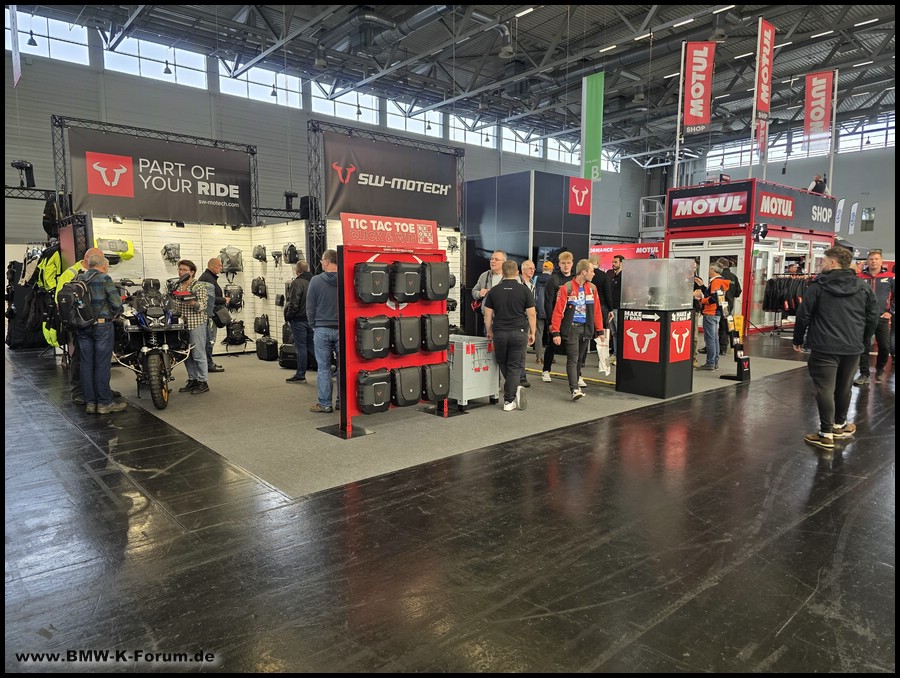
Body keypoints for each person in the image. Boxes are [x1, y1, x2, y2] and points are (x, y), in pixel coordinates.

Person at [792, 247, 877, 451]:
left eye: (824, 260)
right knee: (844, 387)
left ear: (833, 263)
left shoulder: (818, 285)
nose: (822, 264)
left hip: (824, 346)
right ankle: (839, 425)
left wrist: (798, 339)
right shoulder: (863, 286)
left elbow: (804, 314)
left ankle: (826, 433)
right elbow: (872, 316)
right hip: (852, 347)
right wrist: (863, 339)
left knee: (825, 389)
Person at [483, 259, 536, 411]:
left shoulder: (494, 290)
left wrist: (489, 331)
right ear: (517, 272)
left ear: (503, 273)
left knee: (502, 362)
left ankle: (513, 389)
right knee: (514, 365)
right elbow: (531, 314)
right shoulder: (524, 290)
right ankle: (509, 400)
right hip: (518, 332)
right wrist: (532, 332)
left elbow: (488, 314)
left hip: (499, 332)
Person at [77, 252, 126, 414]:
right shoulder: (105, 279)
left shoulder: (79, 278)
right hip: (102, 326)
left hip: (83, 326)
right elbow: (116, 304)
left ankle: (91, 403)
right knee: (102, 365)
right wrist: (115, 313)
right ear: (104, 266)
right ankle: (104, 403)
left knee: (86, 365)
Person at [549, 258, 604, 401]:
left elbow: (597, 311)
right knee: (573, 359)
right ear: (584, 272)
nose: (594, 274)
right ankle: (574, 389)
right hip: (571, 329)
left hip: (586, 329)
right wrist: (556, 332)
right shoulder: (566, 288)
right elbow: (558, 311)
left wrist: (600, 330)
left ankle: (575, 383)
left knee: (580, 360)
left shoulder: (592, 288)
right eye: (591, 271)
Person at [55, 246, 105, 405]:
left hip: (97, 323)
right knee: (79, 357)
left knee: (99, 358)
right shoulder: (71, 273)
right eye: (101, 259)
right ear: (89, 259)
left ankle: (101, 390)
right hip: (79, 323)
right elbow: (61, 299)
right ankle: (77, 391)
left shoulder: (98, 272)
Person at [853, 249, 894, 385]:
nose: (874, 261)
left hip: (882, 317)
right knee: (863, 346)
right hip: (863, 317)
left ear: (881, 261)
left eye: (876, 259)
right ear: (867, 261)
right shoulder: (859, 277)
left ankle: (880, 369)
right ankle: (864, 374)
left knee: (885, 347)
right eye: (871, 259)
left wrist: (891, 311)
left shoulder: (890, 277)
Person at [307, 249, 340, 413]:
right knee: (344, 367)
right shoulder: (346, 279)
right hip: (342, 330)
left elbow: (310, 307)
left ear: (326, 261)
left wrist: (313, 325)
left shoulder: (315, 281)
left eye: (322, 260)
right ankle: (343, 402)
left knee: (324, 368)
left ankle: (325, 404)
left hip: (322, 329)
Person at [173, 259, 210, 395]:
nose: (181, 272)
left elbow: (203, 306)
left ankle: (203, 381)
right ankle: (192, 379)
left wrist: (193, 302)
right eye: (180, 269)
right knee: (186, 354)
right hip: (181, 325)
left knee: (198, 353)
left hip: (196, 323)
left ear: (192, 272)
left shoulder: (198, 286)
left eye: (184, 270)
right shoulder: (176, 286)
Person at [541, 251, 575, 383]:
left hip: (572, 319)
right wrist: (551, 322)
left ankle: (577, 375)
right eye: (563, 263)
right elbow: (548, 303)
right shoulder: (553, 280)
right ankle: (546, 370)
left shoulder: (575, 279)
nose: (566, 265)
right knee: (552, 345)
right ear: (559, 264)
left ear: (572, 263)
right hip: (557, 319)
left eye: (568, 263)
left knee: (574, 349)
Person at [693, 260, 730, 370]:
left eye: (709, 269)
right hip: (716, 313)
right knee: (714, 339)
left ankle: (710, 363)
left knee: (710, 339)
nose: (708, 271)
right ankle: (714, 362)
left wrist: (701, 300)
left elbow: (713, 298)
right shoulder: (721, 281)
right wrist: (703, 286)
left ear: (713, 269)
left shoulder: (715, 282)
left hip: (710, 313)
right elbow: (714, 295)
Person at [284, 260, 313, 384]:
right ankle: (328, 368)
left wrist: (289, 316)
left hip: (299, 320)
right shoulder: (315, 281)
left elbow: (294, 303)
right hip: (312, 319)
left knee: (301, 348)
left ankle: (300, 375)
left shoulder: (297, 282)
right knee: (312, 346)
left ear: (297, 271)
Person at [197, 257, 227, 373]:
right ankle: (208, 364)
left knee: (210, 340)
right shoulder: (207, 279)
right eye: (219, 265)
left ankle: (208, 363)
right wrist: (224, 300)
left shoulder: (209, 278)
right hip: (209, 315)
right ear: (212, 266)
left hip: (210, 314)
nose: (221, 268)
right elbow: (209, 299)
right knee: (210, 340)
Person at [472, 250, 506, 336]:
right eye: (491, 259)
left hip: (505, 322)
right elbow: (474, 291)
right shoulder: (484, 276)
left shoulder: (509, 277)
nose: (493, 261)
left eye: (496, 259)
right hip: (488, 320)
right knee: (488, 343)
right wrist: (479, 293)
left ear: (504, 262)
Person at [716, 257, 742, 355]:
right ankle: (728, 346)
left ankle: (718, 347)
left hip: (718, 305)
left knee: (716, 326)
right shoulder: (733, 277)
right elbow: (738, 291)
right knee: (727, 326)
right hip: (729, 305)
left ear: (720, 265)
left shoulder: (719, 276)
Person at [517, 259, 537, 388]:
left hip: (526, 321)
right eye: (530, 268)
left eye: (533, 268)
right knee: (517, 351)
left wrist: (532, 330)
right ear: (523, 269)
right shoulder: (517, 283)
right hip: (517, 320)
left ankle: (522, 377)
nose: (532, 270)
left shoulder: (532, 284)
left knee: (522, 351)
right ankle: (519, 377)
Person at [532, 261, 554, 365]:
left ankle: (539, 358)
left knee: (539, 334)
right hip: (550, 310)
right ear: (551, 269)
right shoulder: (553, 279)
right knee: (552, 334)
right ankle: (550, 357)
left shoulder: (536, 279)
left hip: (538, 309)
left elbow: (533, 294)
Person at [607, 255, 624, 362]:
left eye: (616, 262)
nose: (613, 264)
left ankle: (619, 356)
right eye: (613, 262)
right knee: (614, 333)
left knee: (619, 332)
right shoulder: (613, 276)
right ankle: (615, 354)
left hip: (619, 308)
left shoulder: (624, 276)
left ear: (621, 263)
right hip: (611, 308)